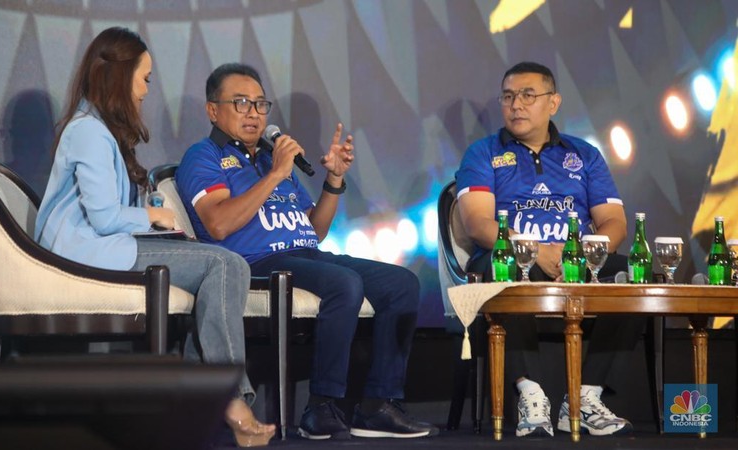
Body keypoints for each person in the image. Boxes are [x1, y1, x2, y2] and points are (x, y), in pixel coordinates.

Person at [33, 28, 275, 447]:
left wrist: (149, 206)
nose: (147, 90)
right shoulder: (89, 131)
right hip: (85, 253)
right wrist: (152, 214)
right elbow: (106, 219)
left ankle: (201, 399)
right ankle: (228, 398)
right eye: (144, 78)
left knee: (217, 266)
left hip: (103, 246)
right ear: (120, 76)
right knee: (223, 261)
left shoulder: (97, 128)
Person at [176, 62, 439, 441]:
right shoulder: (204, 157)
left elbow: (312, 229)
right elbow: (218, 224)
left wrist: (333, 180)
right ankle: (321, 406)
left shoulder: (271, 158)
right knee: (344, 284)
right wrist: (274, 176)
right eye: (241, 103)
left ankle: (379, 404)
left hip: (304, 255)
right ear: (212, 110)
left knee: (402, 284)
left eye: (260, 104)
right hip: (254, 263)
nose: (253, 113)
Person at [455, 61, 645, 437]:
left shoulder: (584, 155)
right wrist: (535, 251)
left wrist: (582, 254)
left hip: (575, 259)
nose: (517, 105)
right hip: (509, 255)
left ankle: (586, 398)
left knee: (632, 278)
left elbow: (614, 223)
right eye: (508, 97)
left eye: (528, 95)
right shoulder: (483, 153)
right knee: (501, 267)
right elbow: (477, 225)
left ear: (553, 102)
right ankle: (532, 394)